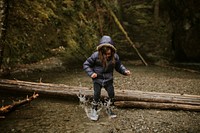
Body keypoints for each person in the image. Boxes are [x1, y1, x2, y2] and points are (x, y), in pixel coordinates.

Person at [83, 35, 131, 120]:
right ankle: (94, 109)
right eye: (106, 54)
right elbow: (86, 64)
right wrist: (91, 73)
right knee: (96, 95)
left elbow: (119, 66)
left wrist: (124, 71)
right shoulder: (95, 56)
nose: (107, 56)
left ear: (112, 51)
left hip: (108, 79)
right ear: (101, 51)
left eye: (109, 54)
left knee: (111, 94)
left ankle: (109, 108)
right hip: (97, 79)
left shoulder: (115, 57)